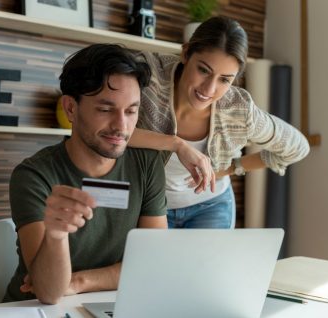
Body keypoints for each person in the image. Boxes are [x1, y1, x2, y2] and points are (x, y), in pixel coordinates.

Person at [3, 44, 168, 304]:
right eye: (105, 110)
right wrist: (56, 235)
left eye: (131, 111)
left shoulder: (147, 163)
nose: (121, 126)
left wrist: (80, 281)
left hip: (113, 304)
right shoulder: (34, 175)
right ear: (70, 108)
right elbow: (49, 292)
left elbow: (154, 264)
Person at [128, 16, 310, 229]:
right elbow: (104, 129)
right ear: (186, 53)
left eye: (225, 79)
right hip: (149, 206)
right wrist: (176, 143)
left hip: (211, 206)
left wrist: (234, 167)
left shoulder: (238, 109)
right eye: (203, 70)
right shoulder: (148, 78)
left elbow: (298, 146)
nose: (208, 89)